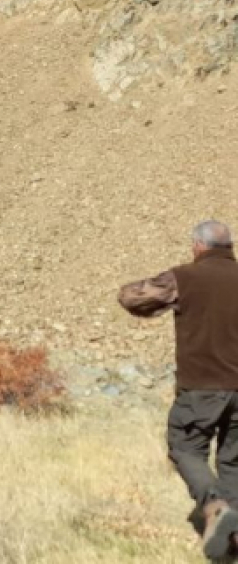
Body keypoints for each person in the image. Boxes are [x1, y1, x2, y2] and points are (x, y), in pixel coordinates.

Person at [119, 220, 238, 560]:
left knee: (184, 447)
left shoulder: (183, 278)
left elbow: (131, 297)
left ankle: (214, 507)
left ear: (198, 246)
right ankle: (233, 537)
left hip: (201, 387)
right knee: (234, 462)